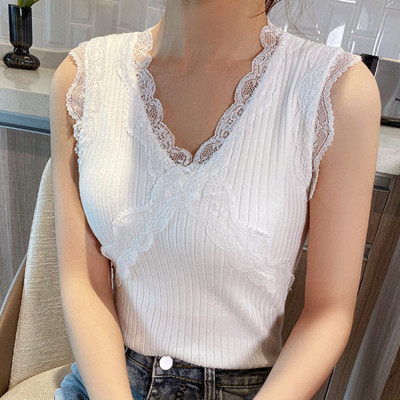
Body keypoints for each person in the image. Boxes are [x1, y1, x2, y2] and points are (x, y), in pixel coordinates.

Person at [49, 0, 381, 399]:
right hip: (107, 382)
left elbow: (328, 312)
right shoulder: (83, 77)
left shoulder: (335, 89)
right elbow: (83, 281)